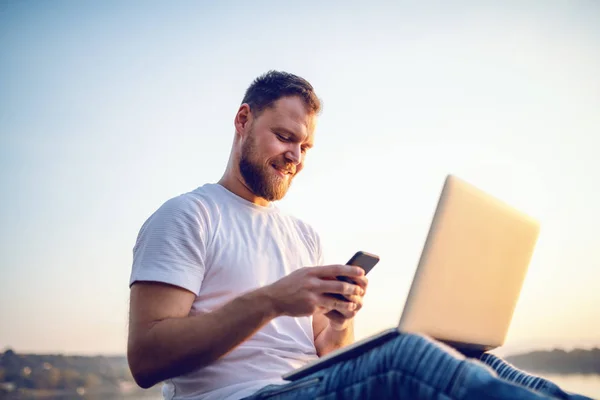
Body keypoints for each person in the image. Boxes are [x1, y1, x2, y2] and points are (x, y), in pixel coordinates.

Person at [127, 70, 592, 400]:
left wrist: (339, 319)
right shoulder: (188, 215)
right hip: (241, 396)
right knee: (404, 359)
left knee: (467, 357)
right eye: (285, 137)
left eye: (305, 146)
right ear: (243, 120)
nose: (296, 156)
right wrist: (270, 300)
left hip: (310, 387)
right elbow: (147, 359)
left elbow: (329, 351)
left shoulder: (303, 234)